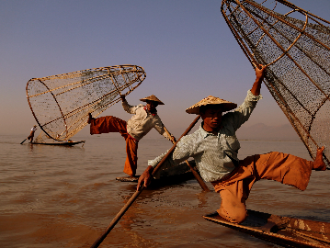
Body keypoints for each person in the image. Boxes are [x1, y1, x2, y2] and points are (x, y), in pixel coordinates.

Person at [137, 65, 327, 224]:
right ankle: (226, 208)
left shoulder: (228, 123)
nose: (215, 118)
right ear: (202, 116)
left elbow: (248, 106)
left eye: (218, 113)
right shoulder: (193, 141)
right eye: (211, 114)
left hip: (241, 167)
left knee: (275, 159)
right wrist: (149, 169)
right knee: (237, 216)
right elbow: (170, 157)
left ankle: (314, 165)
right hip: (224, 183)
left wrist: (258, 79)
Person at [87, 94, 176, 178]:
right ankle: (93, 121)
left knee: (132, 157)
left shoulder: (155, 119)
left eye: (153, 104)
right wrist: (123, 100)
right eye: (149, 103)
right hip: (126, 127)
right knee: (111, 120)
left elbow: (162, 130)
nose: (150, 105)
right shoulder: (140, 108)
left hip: (134, 137)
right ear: (147, 103)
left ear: (155, 106)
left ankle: (131, 175)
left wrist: (170, 137)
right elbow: (128, 109)